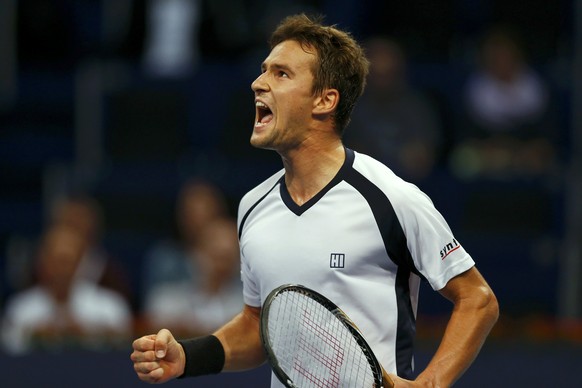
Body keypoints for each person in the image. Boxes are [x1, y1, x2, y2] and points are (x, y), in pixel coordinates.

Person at [131, 14, 499, 387]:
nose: (258, 83)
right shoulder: (252, 206)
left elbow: (478, 299)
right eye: (263, 71)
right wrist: (188, 356)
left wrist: (429, 384)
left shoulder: (392, 198)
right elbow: (258, 326)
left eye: (281, 74)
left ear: (325, 100)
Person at [1, 224, 132, 354]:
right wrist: (34, 336)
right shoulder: (21, 308)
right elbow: (9, 349)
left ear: (80, 262)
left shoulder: (109, 306)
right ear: (42, 263)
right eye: (55, 261)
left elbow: (124, 345)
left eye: (67, 261)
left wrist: (90, 336)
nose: (61, 269)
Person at [343, 36, 442, 182]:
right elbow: (350, 160)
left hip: (410, 188)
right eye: (377, 75)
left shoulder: (418, 106)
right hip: (361, 188)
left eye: (388, 74)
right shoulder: (350, 108)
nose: (382, 82)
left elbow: (421, 160)